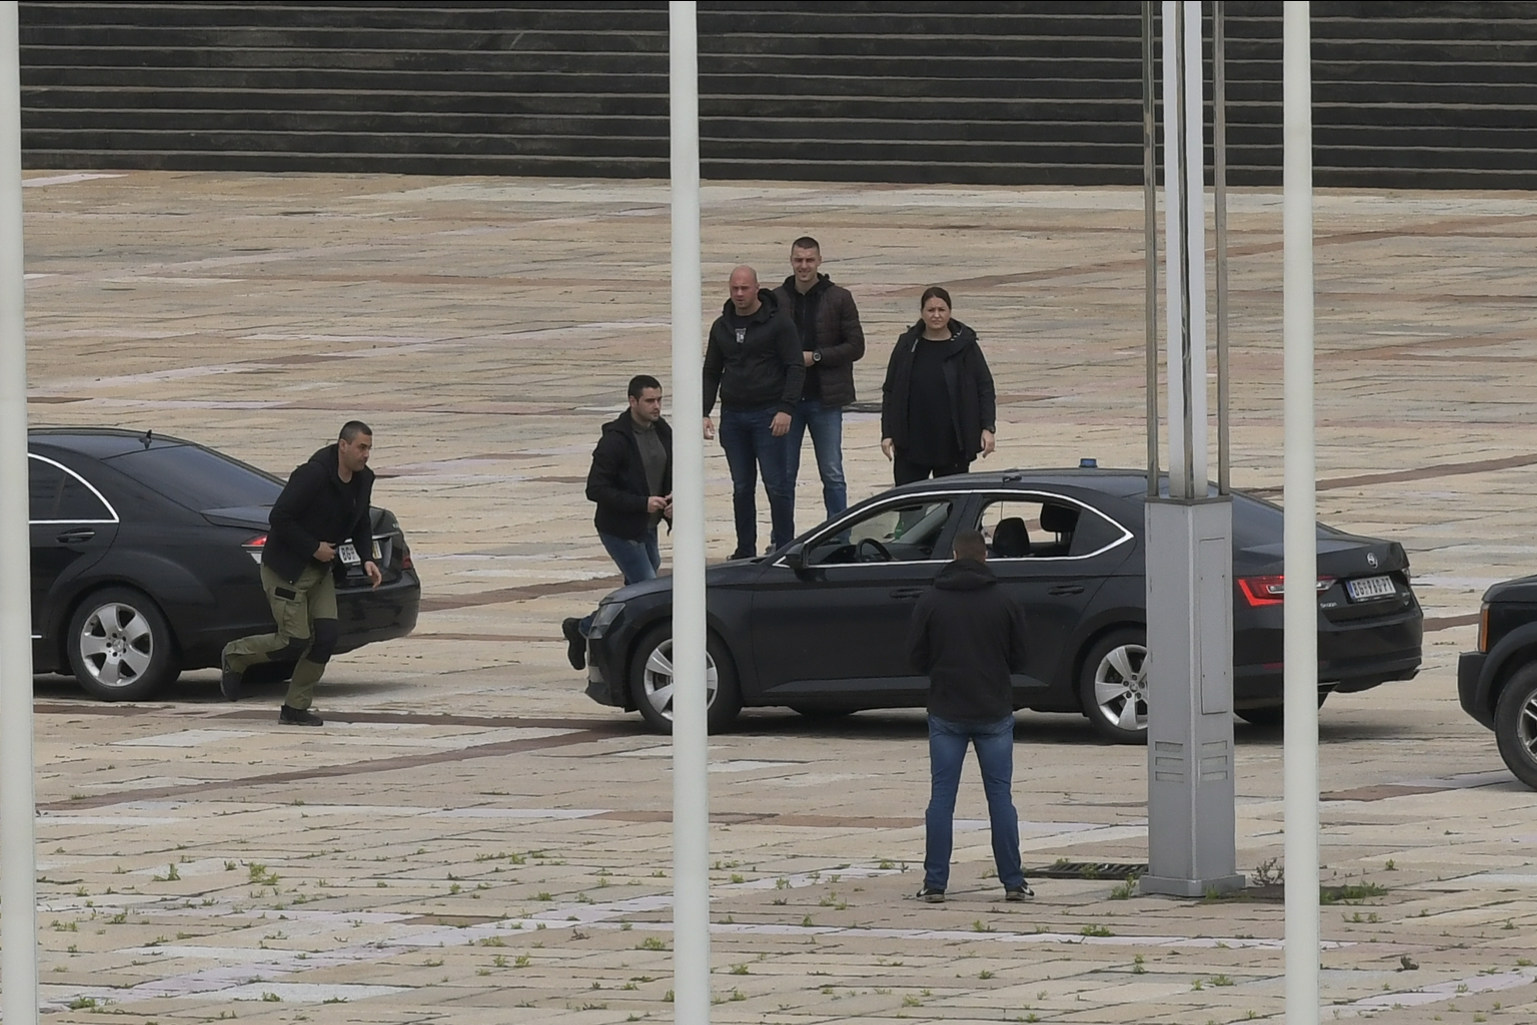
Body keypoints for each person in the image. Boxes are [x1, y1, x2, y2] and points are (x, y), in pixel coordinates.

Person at [221, 421, 383, 726]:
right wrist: (312, 547)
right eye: (362, 447)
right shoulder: (313, 475)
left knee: (326, 637)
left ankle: (295, 707)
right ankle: (236, 656)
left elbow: (361, 521)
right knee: (293, 639)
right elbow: (279, 517)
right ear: (343, 445)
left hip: (322, 570)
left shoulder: (364, 480)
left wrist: (366, 558)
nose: (366, 455)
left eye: (369, 448)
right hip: (287, 569)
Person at [907, 529, 1031, 903]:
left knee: (942, 798)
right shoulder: (1005, 600)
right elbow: (1022, 658)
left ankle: (935, 883)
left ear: (954, 555)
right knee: (1000, 798)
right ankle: (1012, 881)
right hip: (993, 710)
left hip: (946, 710)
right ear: (984, 557)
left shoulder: (930, 601)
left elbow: (915, 658)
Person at [561, 375, 673, 671]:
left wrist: (670, 501)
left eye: (659, 400)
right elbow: (595, 489)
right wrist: (642, 503)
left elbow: (667, 472)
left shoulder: (663, 431)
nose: (656, 407)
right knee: (648, 589)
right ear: (632, 401)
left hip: (648, 526)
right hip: (620, 529)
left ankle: (584, 629)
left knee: (633, 593)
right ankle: (590, 630)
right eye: (650, 401)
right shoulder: (615, 440)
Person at [703, 265, 805, 558]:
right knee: (741, 486)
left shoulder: (779, 324)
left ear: (757, 288)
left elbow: (795, 367)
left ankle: (785, 546)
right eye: (734, 288)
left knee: (777, 484)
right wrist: (704, 410)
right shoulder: (721, 326)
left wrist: (786, 408)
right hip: (734, 416)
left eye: (744, 288)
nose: (739, 294)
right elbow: (711, 370)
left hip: (768, 414)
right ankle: (745, 548)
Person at [771, 236, 865, 521]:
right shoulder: (776, 299)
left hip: (825, 400)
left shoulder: (839, 297)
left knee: (832, 472)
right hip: (787, 402)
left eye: (809, 260)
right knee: (784, 474)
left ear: (819, 261)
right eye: (798, 260)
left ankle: (839, 536)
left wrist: (817, 357)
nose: (804, 266)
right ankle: (781, 536)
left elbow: (856, 346)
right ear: (791, 261)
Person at [879, 286, 997, 486]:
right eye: (930, 310)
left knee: (952, 505)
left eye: (941, 310)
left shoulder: (965, 346)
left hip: (952, 442)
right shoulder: (907, 345)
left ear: (949, 312)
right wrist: (888, 432)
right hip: (913, 441)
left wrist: (988, 427)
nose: (936, 315)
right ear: (922, 313)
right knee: (910, 506)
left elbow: (984, 387)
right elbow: (890, 390)